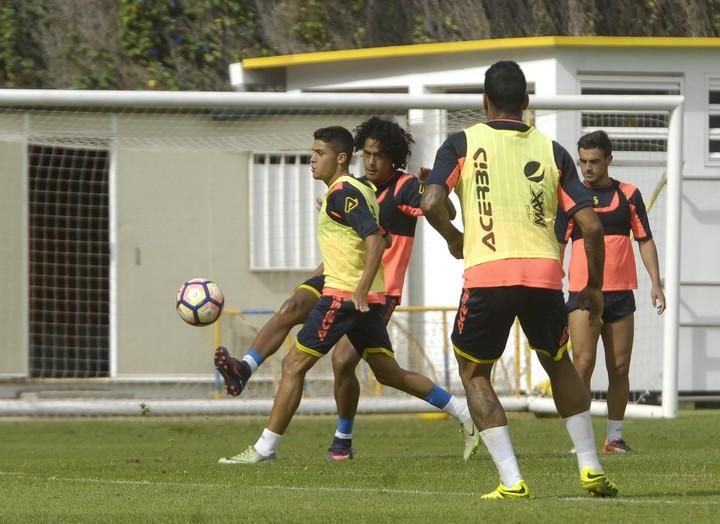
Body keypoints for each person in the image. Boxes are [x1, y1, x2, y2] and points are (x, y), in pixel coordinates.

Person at [218, 125, 477, 464]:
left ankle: (331, 441)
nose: (369, 161)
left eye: (377, 156)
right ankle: (244, 369)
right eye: (366, 154)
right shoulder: (358, 187)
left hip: (367, 290)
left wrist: (440, 192)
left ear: (393, 158)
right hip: (339, 279)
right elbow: (357, 241)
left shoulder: (403, 186)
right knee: (294, 304)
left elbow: (431, 212)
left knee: (337, 363)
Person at [420, 60, 618, 499]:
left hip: (489, 273)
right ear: (526, 104)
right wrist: (594, 289)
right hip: (544, 275)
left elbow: (432, 200)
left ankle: (512, 481)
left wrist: (456, 238)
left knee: (475, 374)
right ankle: (589, 466)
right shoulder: (553, 150)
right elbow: (591, 226)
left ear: (484, 102)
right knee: (558, 361)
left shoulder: (461, 144)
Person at [556, 130, 666, 454]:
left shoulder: (629, 194)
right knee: (583, 364)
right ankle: (582, 440)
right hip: (583, 295)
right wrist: (550, 284)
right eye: (583, 161)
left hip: (620, 295)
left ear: (608, 160)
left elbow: (644, 239)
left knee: (619, 368)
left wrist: (656, 283)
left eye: (594, 161)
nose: (587, 168)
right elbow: (559, 244)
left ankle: (614, 438)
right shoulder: (571, 197)